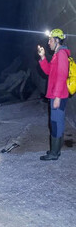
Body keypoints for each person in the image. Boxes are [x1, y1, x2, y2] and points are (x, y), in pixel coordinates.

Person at [37, 28, 71, 161]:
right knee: (58, 122)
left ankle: (54, 154)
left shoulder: (61, 53)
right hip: (56, 95)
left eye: (50, 40)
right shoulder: (57, 54)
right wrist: (43, 57)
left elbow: (62, 75)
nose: (48, 43)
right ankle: (56, 150)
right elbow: (48, 71)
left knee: (56, 123)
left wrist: (57, 96)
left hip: (58, 95)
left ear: (57, 40)